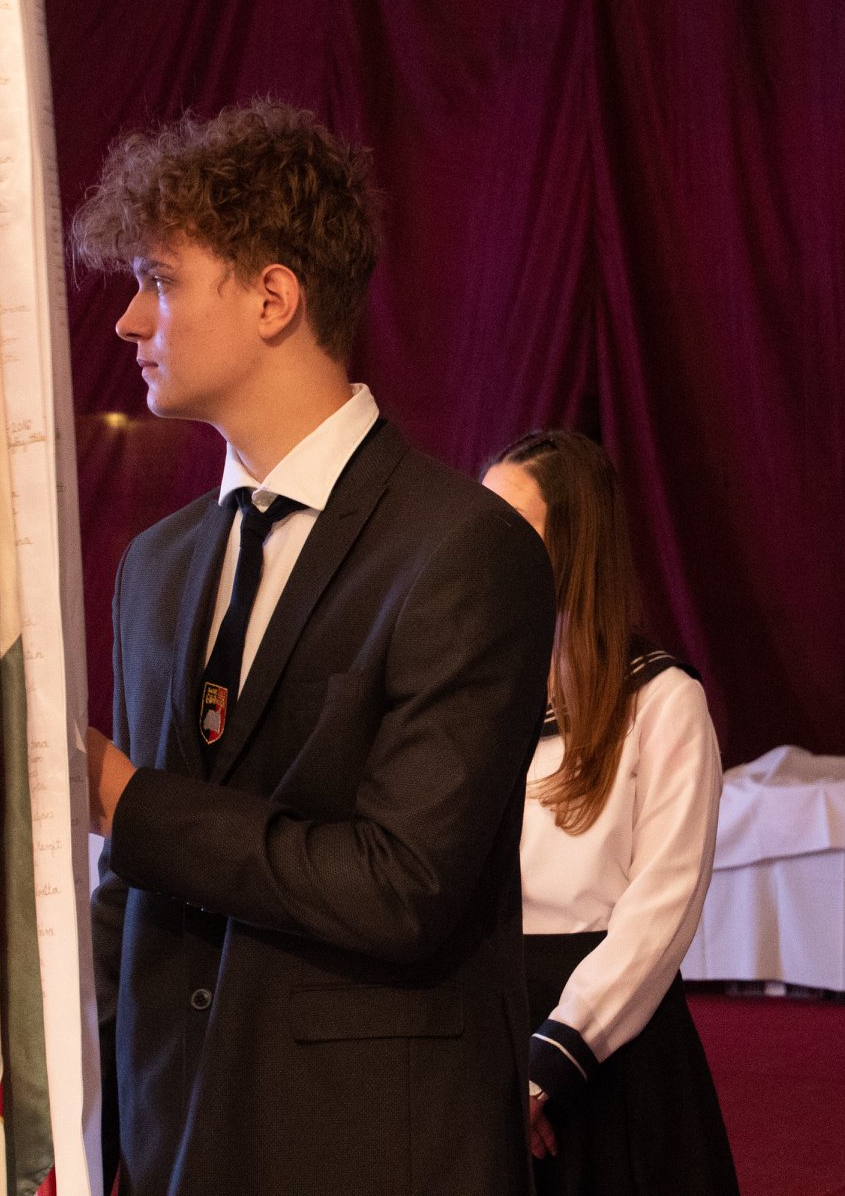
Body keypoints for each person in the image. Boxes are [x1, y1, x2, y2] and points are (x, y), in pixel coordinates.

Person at [73, 101, 557, 1196]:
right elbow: (130, 897)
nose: (130, 324)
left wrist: (128, 801)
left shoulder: (464, 549)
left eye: (159, 281)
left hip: (372, 1149)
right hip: (168, 1143)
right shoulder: (155, 565)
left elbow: (403, 886)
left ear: (273, 298)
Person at [482, 430, 740, 1196]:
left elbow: (662, 909)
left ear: (575, 545)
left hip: (607, 1047)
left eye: (510, 525)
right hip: (484, 1030)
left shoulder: (661, 700)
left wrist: (547, 1066)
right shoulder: (474, 690)